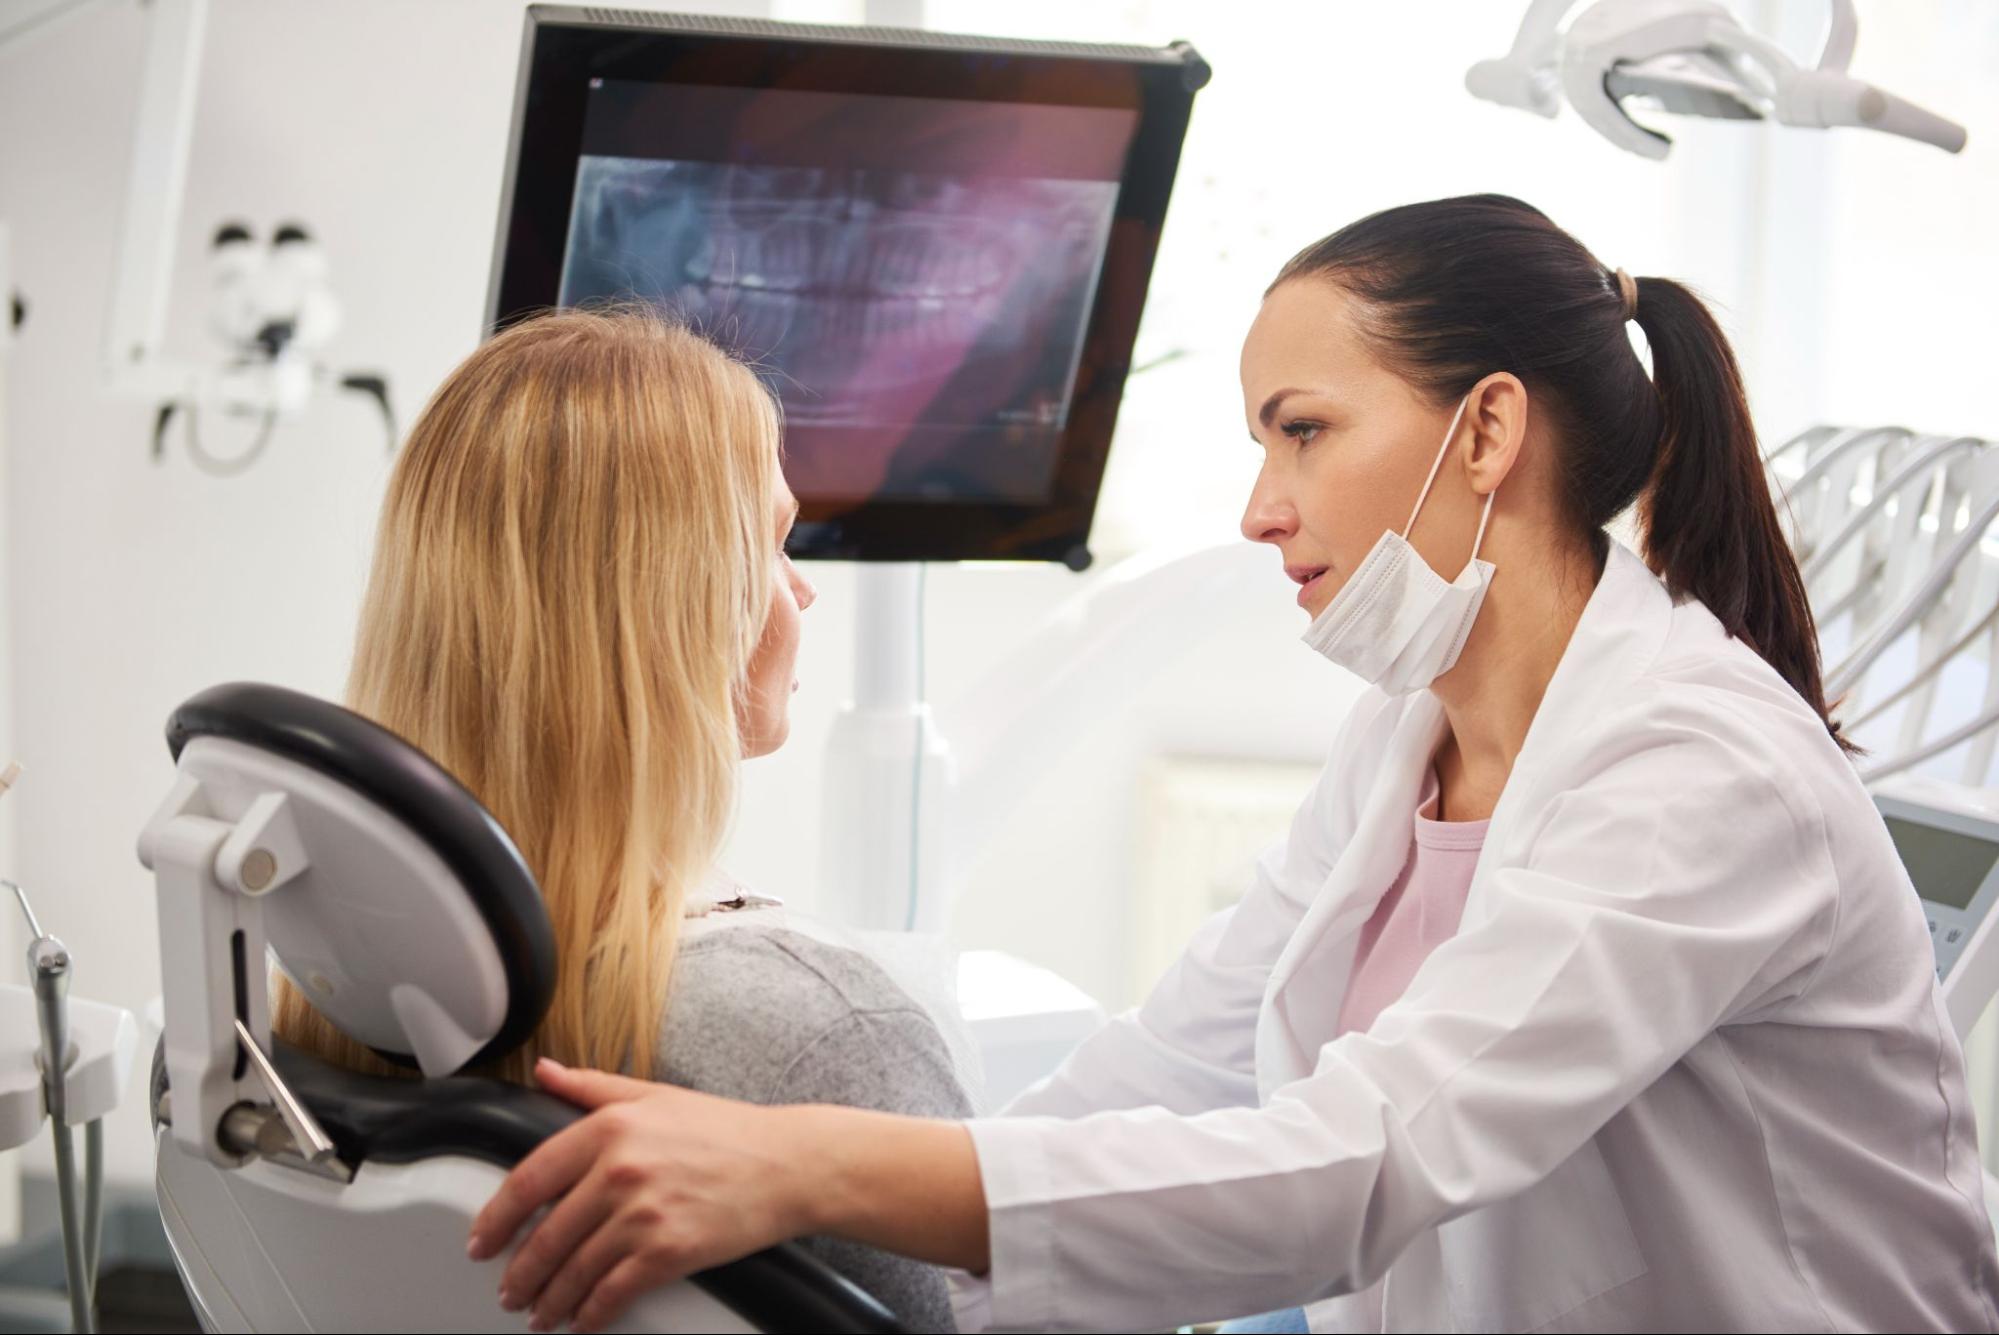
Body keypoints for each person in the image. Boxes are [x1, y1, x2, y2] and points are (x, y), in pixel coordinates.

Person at [466, 196, 1999, 1333]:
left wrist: (803, 1164)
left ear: (1485, 435)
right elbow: (1172, 1062)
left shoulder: (1696, 767)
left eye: (1303, 431)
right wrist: (912, 1287)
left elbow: (1365, 1157)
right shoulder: (1407, 733)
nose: (1261, 508)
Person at [268, 306, 973, 1332]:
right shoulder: (809, 1035)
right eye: (773, 547)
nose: (803, 594)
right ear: (677, 610)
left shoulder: (327, 995)